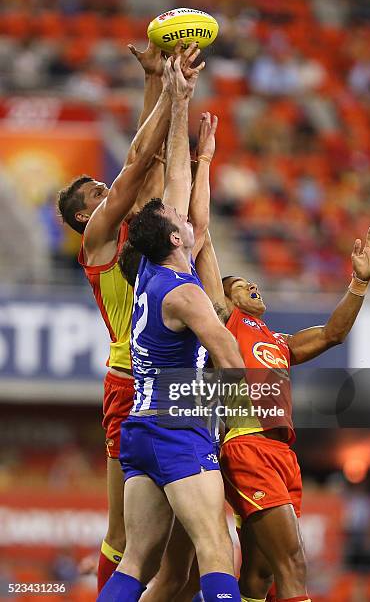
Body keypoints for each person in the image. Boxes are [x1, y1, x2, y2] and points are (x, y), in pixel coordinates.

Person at [57, 41, 203, 594]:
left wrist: (153, 83)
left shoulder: (129, 231)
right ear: (83, 216)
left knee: (185, 533)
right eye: (96, 192)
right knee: (126, 536)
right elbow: (137, 164)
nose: (106, 187)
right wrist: (170, 91)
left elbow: (149, 162)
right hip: (130, 382)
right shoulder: (98, 239)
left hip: (171, 376)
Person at [98, 56, 245, 602]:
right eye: (183, 221)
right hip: (178, 426)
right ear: (179, 239)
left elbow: (176, 180)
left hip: (142, 427)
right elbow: (230, 355)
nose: (190, 218)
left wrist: (182, 102)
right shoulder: (186, 294)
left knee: (137, 560)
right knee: (216, 550)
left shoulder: (155, 272)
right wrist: (249, 417)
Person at [195, 226, 370, 602]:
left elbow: (332, 334)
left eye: (252, 281)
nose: (252, 285)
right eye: (240, 284)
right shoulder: (225, 322)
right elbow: (206, 256)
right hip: (248, 446)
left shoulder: (278, 341)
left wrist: (359, 283)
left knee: (261, 573)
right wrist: (200, 223)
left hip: (282, 454)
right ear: (223, 298)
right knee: (293, 564)